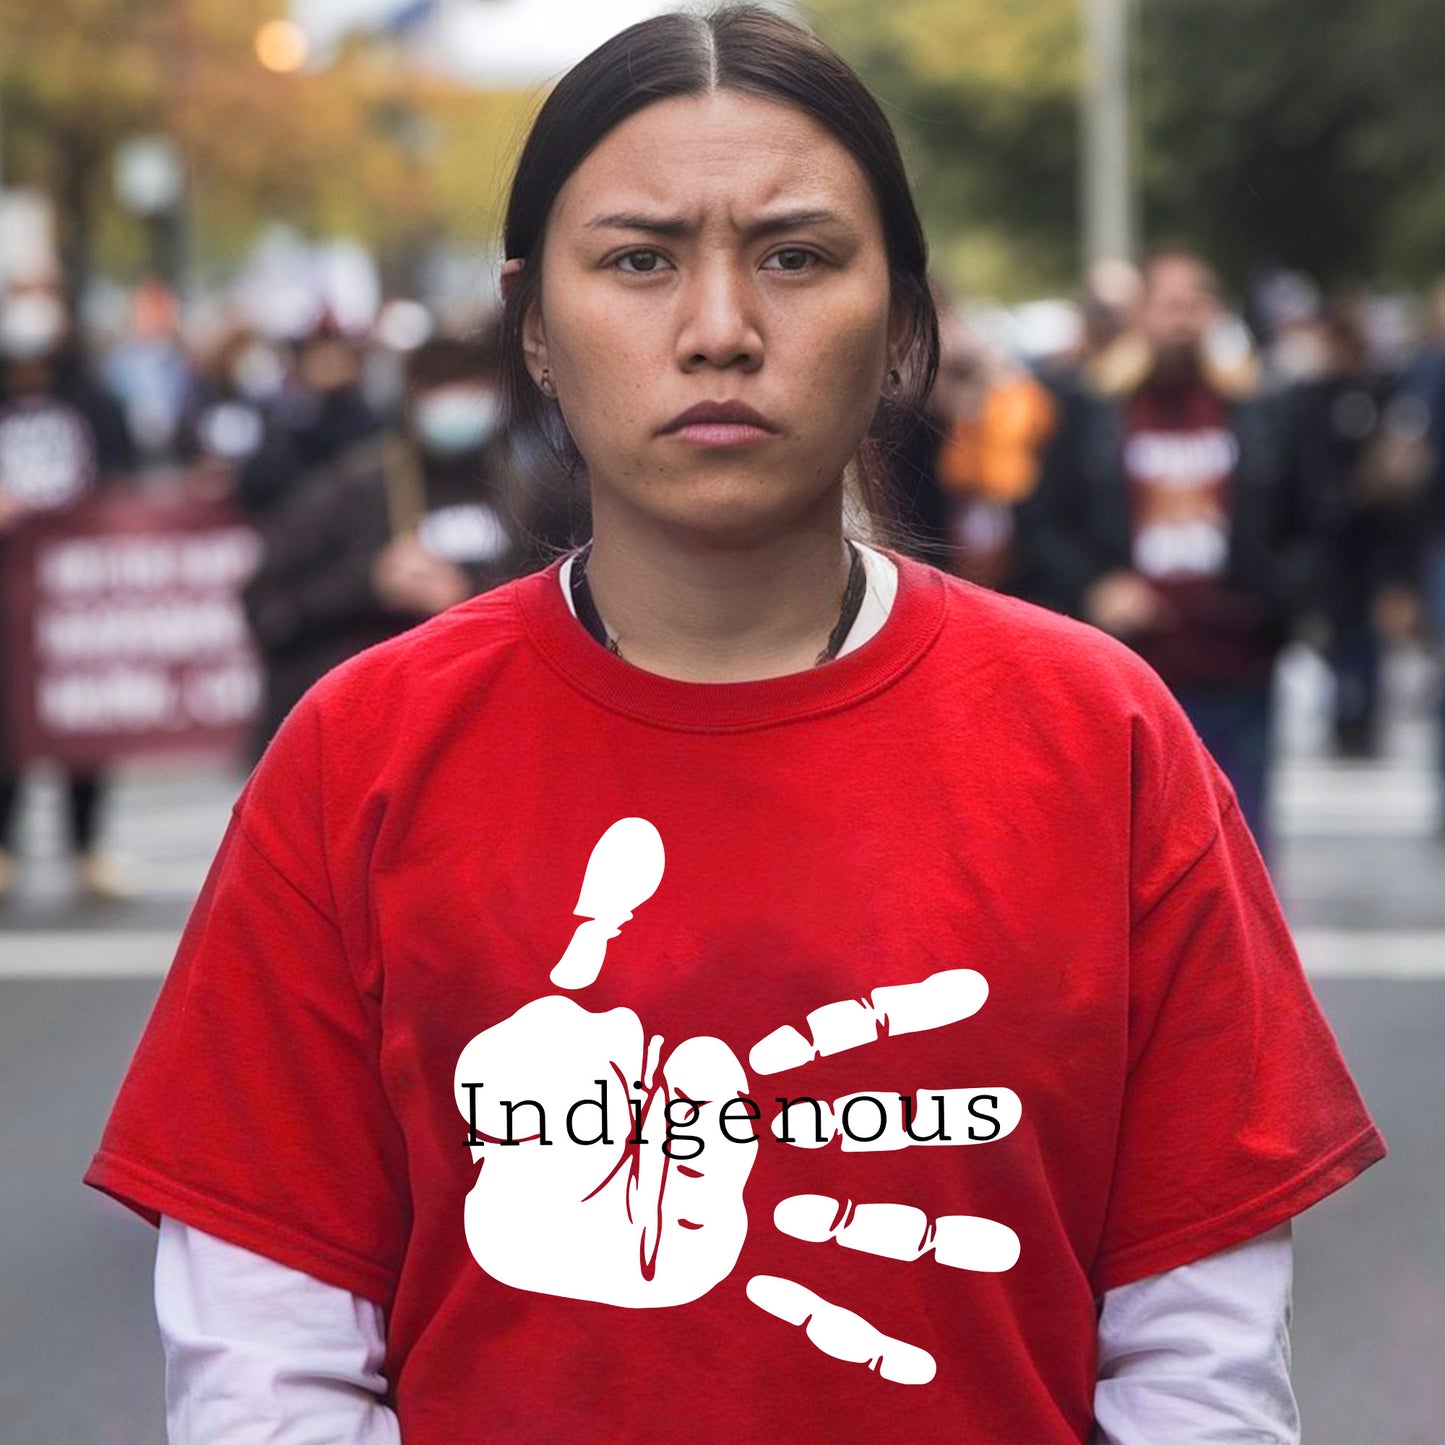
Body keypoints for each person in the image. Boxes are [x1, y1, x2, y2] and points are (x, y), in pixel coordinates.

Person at [83, 9, 1385, 1443]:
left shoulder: (1103, 736)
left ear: (901, 322)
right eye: (638, 260)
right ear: (530, 320)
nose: (719, 330)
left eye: (797, 257)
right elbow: (270, 1372)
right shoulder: (362, 753)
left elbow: (1200, 1365)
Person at [1015, 248, 1322, 863]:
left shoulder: (1261, 410)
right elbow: (1041, 522)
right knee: (1133, 855)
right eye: (1167, 304)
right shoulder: (1092, 410)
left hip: (1238, 665)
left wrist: (1274, 598)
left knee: (1242, 848)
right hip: (1132, 671)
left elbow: (1312, 519)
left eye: (1194, 303)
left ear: (1214, 312)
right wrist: (1095, 586)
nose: (1180, 319)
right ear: (1142, 314)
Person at [0, 287, 137, 902]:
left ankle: (88, 845)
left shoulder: (96, 402)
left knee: (84, 717)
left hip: (77, 592)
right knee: (8, 713)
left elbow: (125, 480)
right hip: (9, 589)